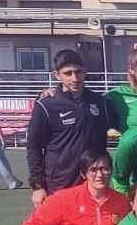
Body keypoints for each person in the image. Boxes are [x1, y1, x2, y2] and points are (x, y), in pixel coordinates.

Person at [26, 50, 109, 204]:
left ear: (85, 71)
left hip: (93, 184)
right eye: (68, 73)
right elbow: (33, 147)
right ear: (57, 75)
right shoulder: (46, 105)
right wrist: (37, 186)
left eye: (78, 72)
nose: (74, 78)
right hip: (60, 185)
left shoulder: (99, 102)